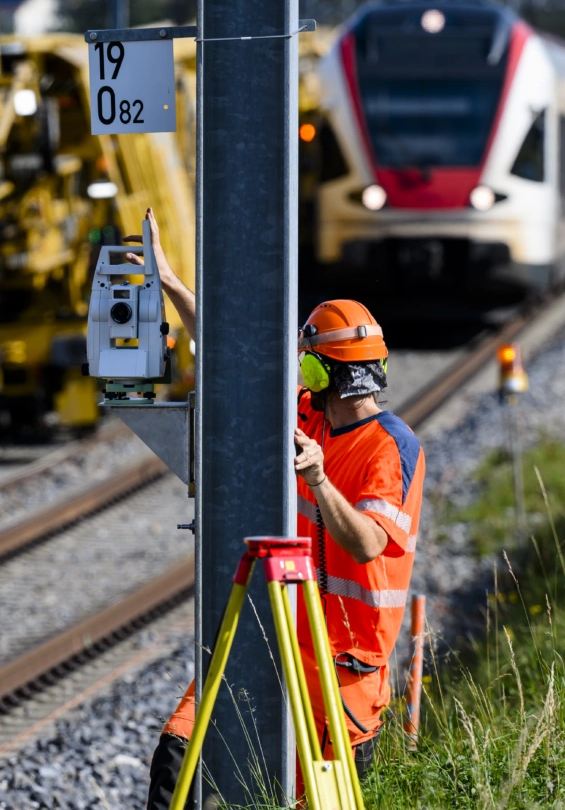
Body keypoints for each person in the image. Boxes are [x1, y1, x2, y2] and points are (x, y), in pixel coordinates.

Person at [130, 212, 425, 808]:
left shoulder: (390, 449)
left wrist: (317, 478)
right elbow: (239, 367)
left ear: (322, 370)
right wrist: (172, 286)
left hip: (342, 681)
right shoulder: (312, 417)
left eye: (305, 358)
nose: (298, 368)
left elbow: (368, 542)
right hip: (274, 643)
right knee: (177, 758)